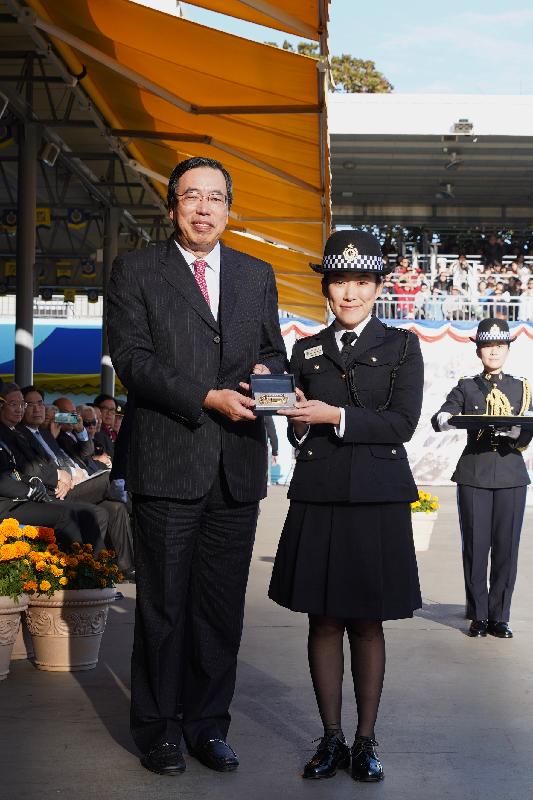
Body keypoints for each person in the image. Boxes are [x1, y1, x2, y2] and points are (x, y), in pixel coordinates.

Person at [107, 156, 286, 776]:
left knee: (220, 608)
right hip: (169, 460)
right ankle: (157, 729)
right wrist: (203, 396)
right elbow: (132, 359)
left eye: (216, 197)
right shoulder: (136, 271)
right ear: (173, 206)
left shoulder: (256, 274)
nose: (204, 208)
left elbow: (270, 351)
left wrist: (267, 376)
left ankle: (209, 725)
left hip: (236, 467)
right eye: (192, 196)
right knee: (163, 607)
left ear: (230, 210)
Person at [268, 230, 424, 783]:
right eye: (339, 282)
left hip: (377, 498)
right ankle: (331, 738)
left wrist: (333, 416)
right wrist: (291, 418)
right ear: (327, 289)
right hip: (319, 492)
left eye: (361, 282)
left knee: (367, 622)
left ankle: (366, 739)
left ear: (378, 286)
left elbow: (402, 424)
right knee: (323, 618)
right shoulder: (306, 350)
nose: (350, 293)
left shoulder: (405, 345)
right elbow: (297, 432)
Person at [431, 318, 532, 638]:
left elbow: (528, 429)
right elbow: (444, 414)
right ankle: (478, 614)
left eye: (499, 346)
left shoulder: (521, 387)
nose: (494, 352)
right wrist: (446, 419)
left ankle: (500, 616)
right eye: (488, 346)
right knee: (475, 547)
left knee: (506, 549)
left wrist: (518, 432)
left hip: (511, 474)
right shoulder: (467, 386)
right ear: (479, 350)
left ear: (507, 350)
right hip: (474, 472)